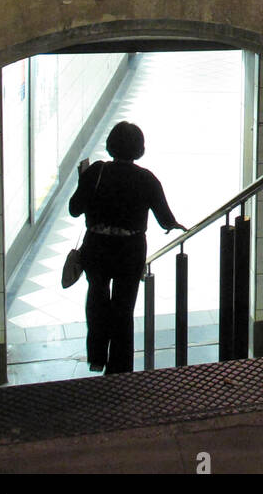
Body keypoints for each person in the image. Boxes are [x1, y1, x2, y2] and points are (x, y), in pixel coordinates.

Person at [69, 121, 185, 374]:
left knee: (97, 298)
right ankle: (120, 368)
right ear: (139, 149)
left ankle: (97, 355)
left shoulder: (96, 171)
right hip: (129, 250)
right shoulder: (146, 178)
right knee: (123, 308)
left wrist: (84, 183)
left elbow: (74, 209)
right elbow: (165, 218)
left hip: (97, 247)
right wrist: (175, 225)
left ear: (111, 145)